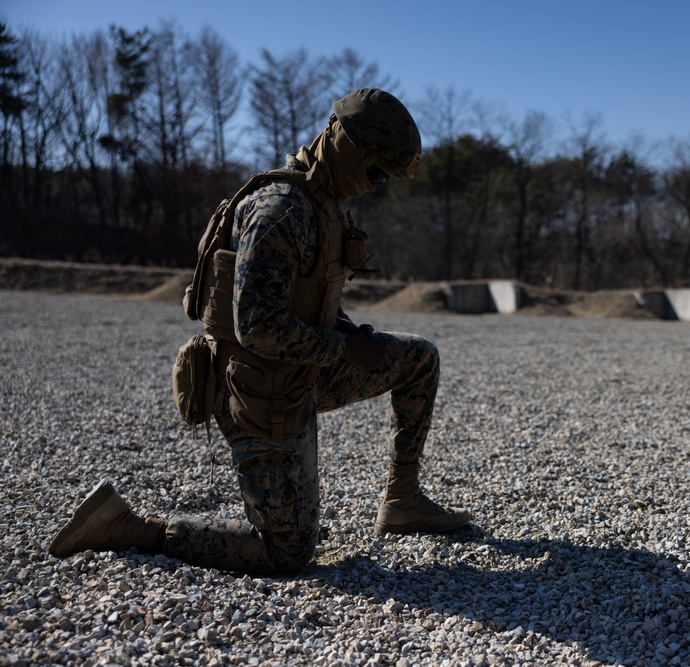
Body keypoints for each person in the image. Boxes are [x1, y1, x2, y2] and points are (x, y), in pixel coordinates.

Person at [48, 89, 471, 575]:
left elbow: (302, 300)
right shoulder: (281, 212)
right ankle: (127, 526)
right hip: (257, 395)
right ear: (349, 147)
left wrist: (349, 333)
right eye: (375, 171)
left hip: (298, 372)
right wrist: (347, 348)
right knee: (287, 552)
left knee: (418, 359)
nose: (375, 186)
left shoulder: (322, 204)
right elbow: (257, 327)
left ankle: (402, 502)